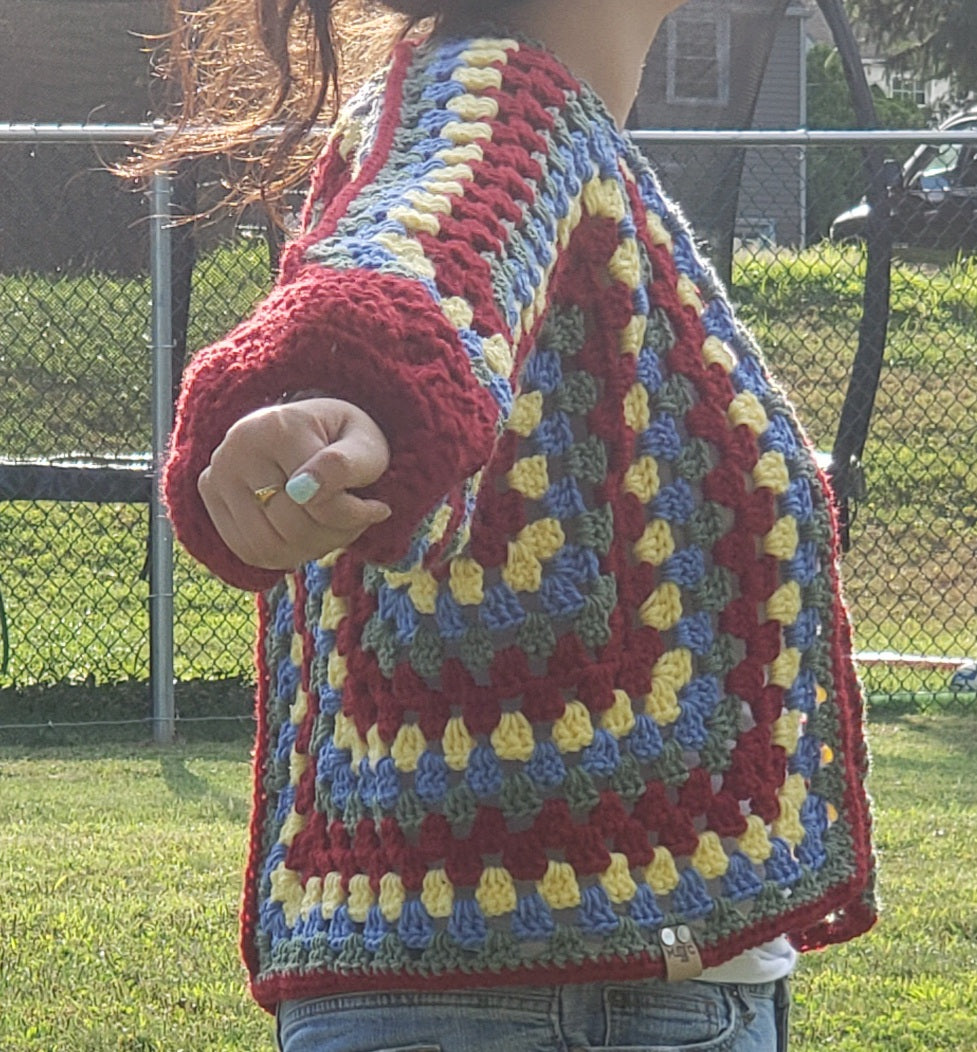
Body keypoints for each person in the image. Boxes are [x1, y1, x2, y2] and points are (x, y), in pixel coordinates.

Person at [160, 1, 877, 1049]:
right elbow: (414, 261)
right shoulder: (497, 103)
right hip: (573, 993)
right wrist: (355, 392)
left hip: (548, 981)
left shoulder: (539, 133)